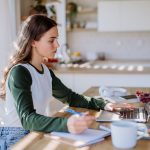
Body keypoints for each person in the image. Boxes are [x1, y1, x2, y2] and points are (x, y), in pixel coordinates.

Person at [0, 14, 133, 149]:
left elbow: (70, 97)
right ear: (33, 42)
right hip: (16, 137)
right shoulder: (20, 72)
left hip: (35, 130)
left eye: (56, 39)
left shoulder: (45, 71)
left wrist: (105, 105)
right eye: (51, 40)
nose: (57, 45)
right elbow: (27, 119)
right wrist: (67, 124)